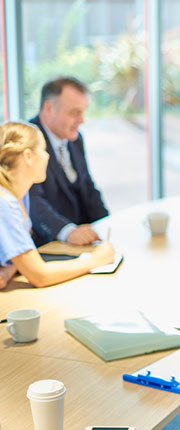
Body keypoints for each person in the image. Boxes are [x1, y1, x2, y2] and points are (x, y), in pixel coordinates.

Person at [0, 122, 115, 289]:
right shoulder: (6, 204)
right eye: (43, 150)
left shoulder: (20, 196)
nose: (48, 157)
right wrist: (95, 260)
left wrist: (10, 269)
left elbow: (18, 255)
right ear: (28, 156)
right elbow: (40, 275)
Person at [28, 77, 109, 247]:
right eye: (74, 113)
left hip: (83, 240)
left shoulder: (75, 139)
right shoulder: (27, 142)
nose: (82, 120)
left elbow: (87, 187)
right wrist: (67, 231)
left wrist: (107, 225)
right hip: (50, 243)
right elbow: (32, 201)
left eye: (83, 112)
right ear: (49, 109)